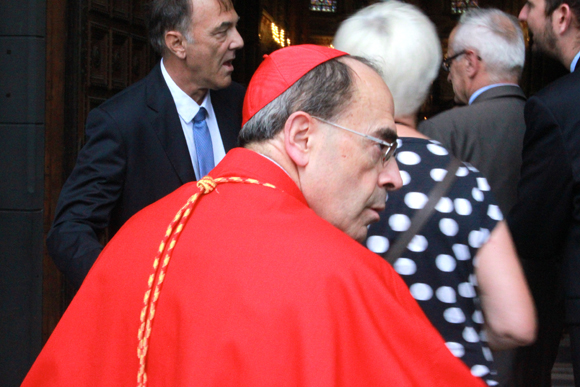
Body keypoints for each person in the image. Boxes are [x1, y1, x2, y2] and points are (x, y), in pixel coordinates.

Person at [22, 44, 488, 387]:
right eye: (382, 146)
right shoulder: (344, 277)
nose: (395, 177)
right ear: (302, 137)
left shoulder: (136, 237)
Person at [333, 2, 535, 386]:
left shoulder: (326, 178)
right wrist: (452, 336)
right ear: (428, 77)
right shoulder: (463, 181)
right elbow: (516, 324)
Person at [46, 0, 245, 288]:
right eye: (222, 31)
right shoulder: (121, 122)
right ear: (177, 44)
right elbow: (69, 232)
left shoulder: (245, 104)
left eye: (236, 26)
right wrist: (126, 293)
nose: (238, 41)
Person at [510, 0, 580, 385]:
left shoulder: (558, 106)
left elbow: (534, 229)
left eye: (531, 5)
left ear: (562, 16)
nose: (522, 15)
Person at [418, 8, 526, 216]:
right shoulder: (548, 119)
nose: (448, 77)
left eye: (449, 63)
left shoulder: (444, 129)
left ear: (470, 62)